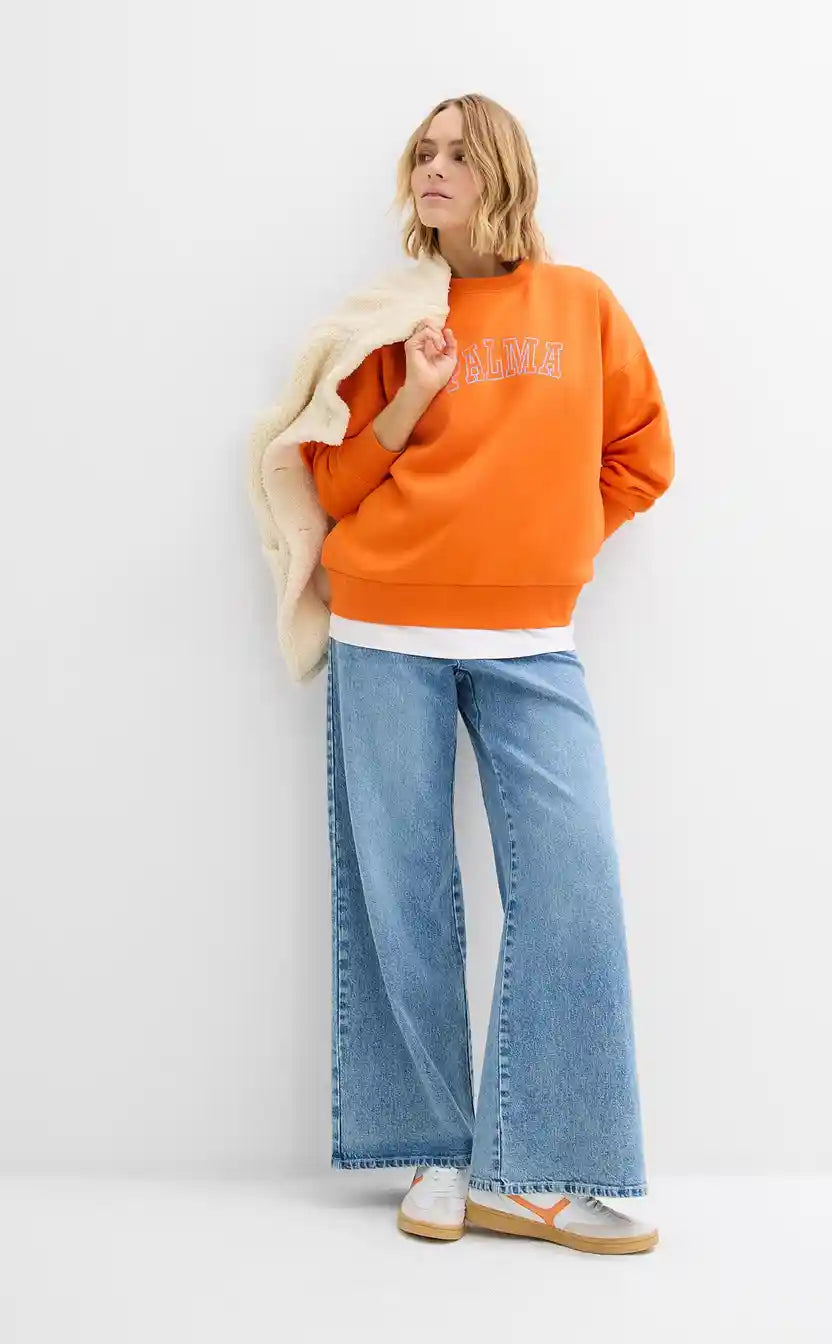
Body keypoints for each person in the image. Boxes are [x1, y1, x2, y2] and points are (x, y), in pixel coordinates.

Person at [297, 93, 674, 1253]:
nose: (435, 167)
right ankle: (436, 1150)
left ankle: (538, 1167)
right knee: (403, 896)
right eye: (424, 152)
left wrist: (549, 546)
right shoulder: (392, 317)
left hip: (529, 639)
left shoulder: (581, 304)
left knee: (573, 879)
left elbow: (642, 456)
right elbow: (333, 488)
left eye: (460, 152)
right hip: (384, 627)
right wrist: (413, 390)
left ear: (505, 171)